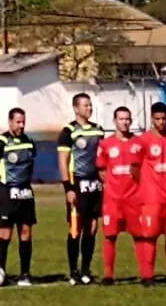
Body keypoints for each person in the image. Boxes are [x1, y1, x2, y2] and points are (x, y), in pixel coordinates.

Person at [58, 93, 105, 285]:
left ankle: (86, 269)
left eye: (90, 105)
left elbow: (103, 158)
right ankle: (73, 271)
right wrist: (68, 187)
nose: (89, 108)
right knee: (75, 229)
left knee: (92, 227)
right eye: (85, 105)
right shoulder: (68, 131)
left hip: (95, 184)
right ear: (76, 108)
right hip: (77, 184)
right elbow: (63, 161)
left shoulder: (98, 130)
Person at [0, 107, 37, 285]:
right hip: (7, 193)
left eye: (23, 121)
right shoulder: (1, 142)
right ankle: (0, 271)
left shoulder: (30, 141)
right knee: (5, 233)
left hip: (25, 193)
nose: (21, 125)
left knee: (25, 232)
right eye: (18, 122)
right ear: (10, 122)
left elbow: (30, 166)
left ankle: (25, 273)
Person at [96, 106, 143, 286]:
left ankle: (144, 274)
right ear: (115, 121)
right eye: (121, 119)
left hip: (134, 198)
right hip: (113, 199)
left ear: (131, 121)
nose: (124, 122)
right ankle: (109, 275)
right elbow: (101, 169)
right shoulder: (105, 144)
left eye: (127, 119)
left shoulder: (138, 144)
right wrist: (111, 186)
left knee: (139, 236)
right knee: (110, 236)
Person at [134, 102, 166, 286]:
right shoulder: (143, 140)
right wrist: (145, 186)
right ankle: (147, 276)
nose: (161, 122)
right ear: (152, 119)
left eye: (164, 119)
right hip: (151, 198)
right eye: (157, 119)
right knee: (149, 236)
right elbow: (134, 168)